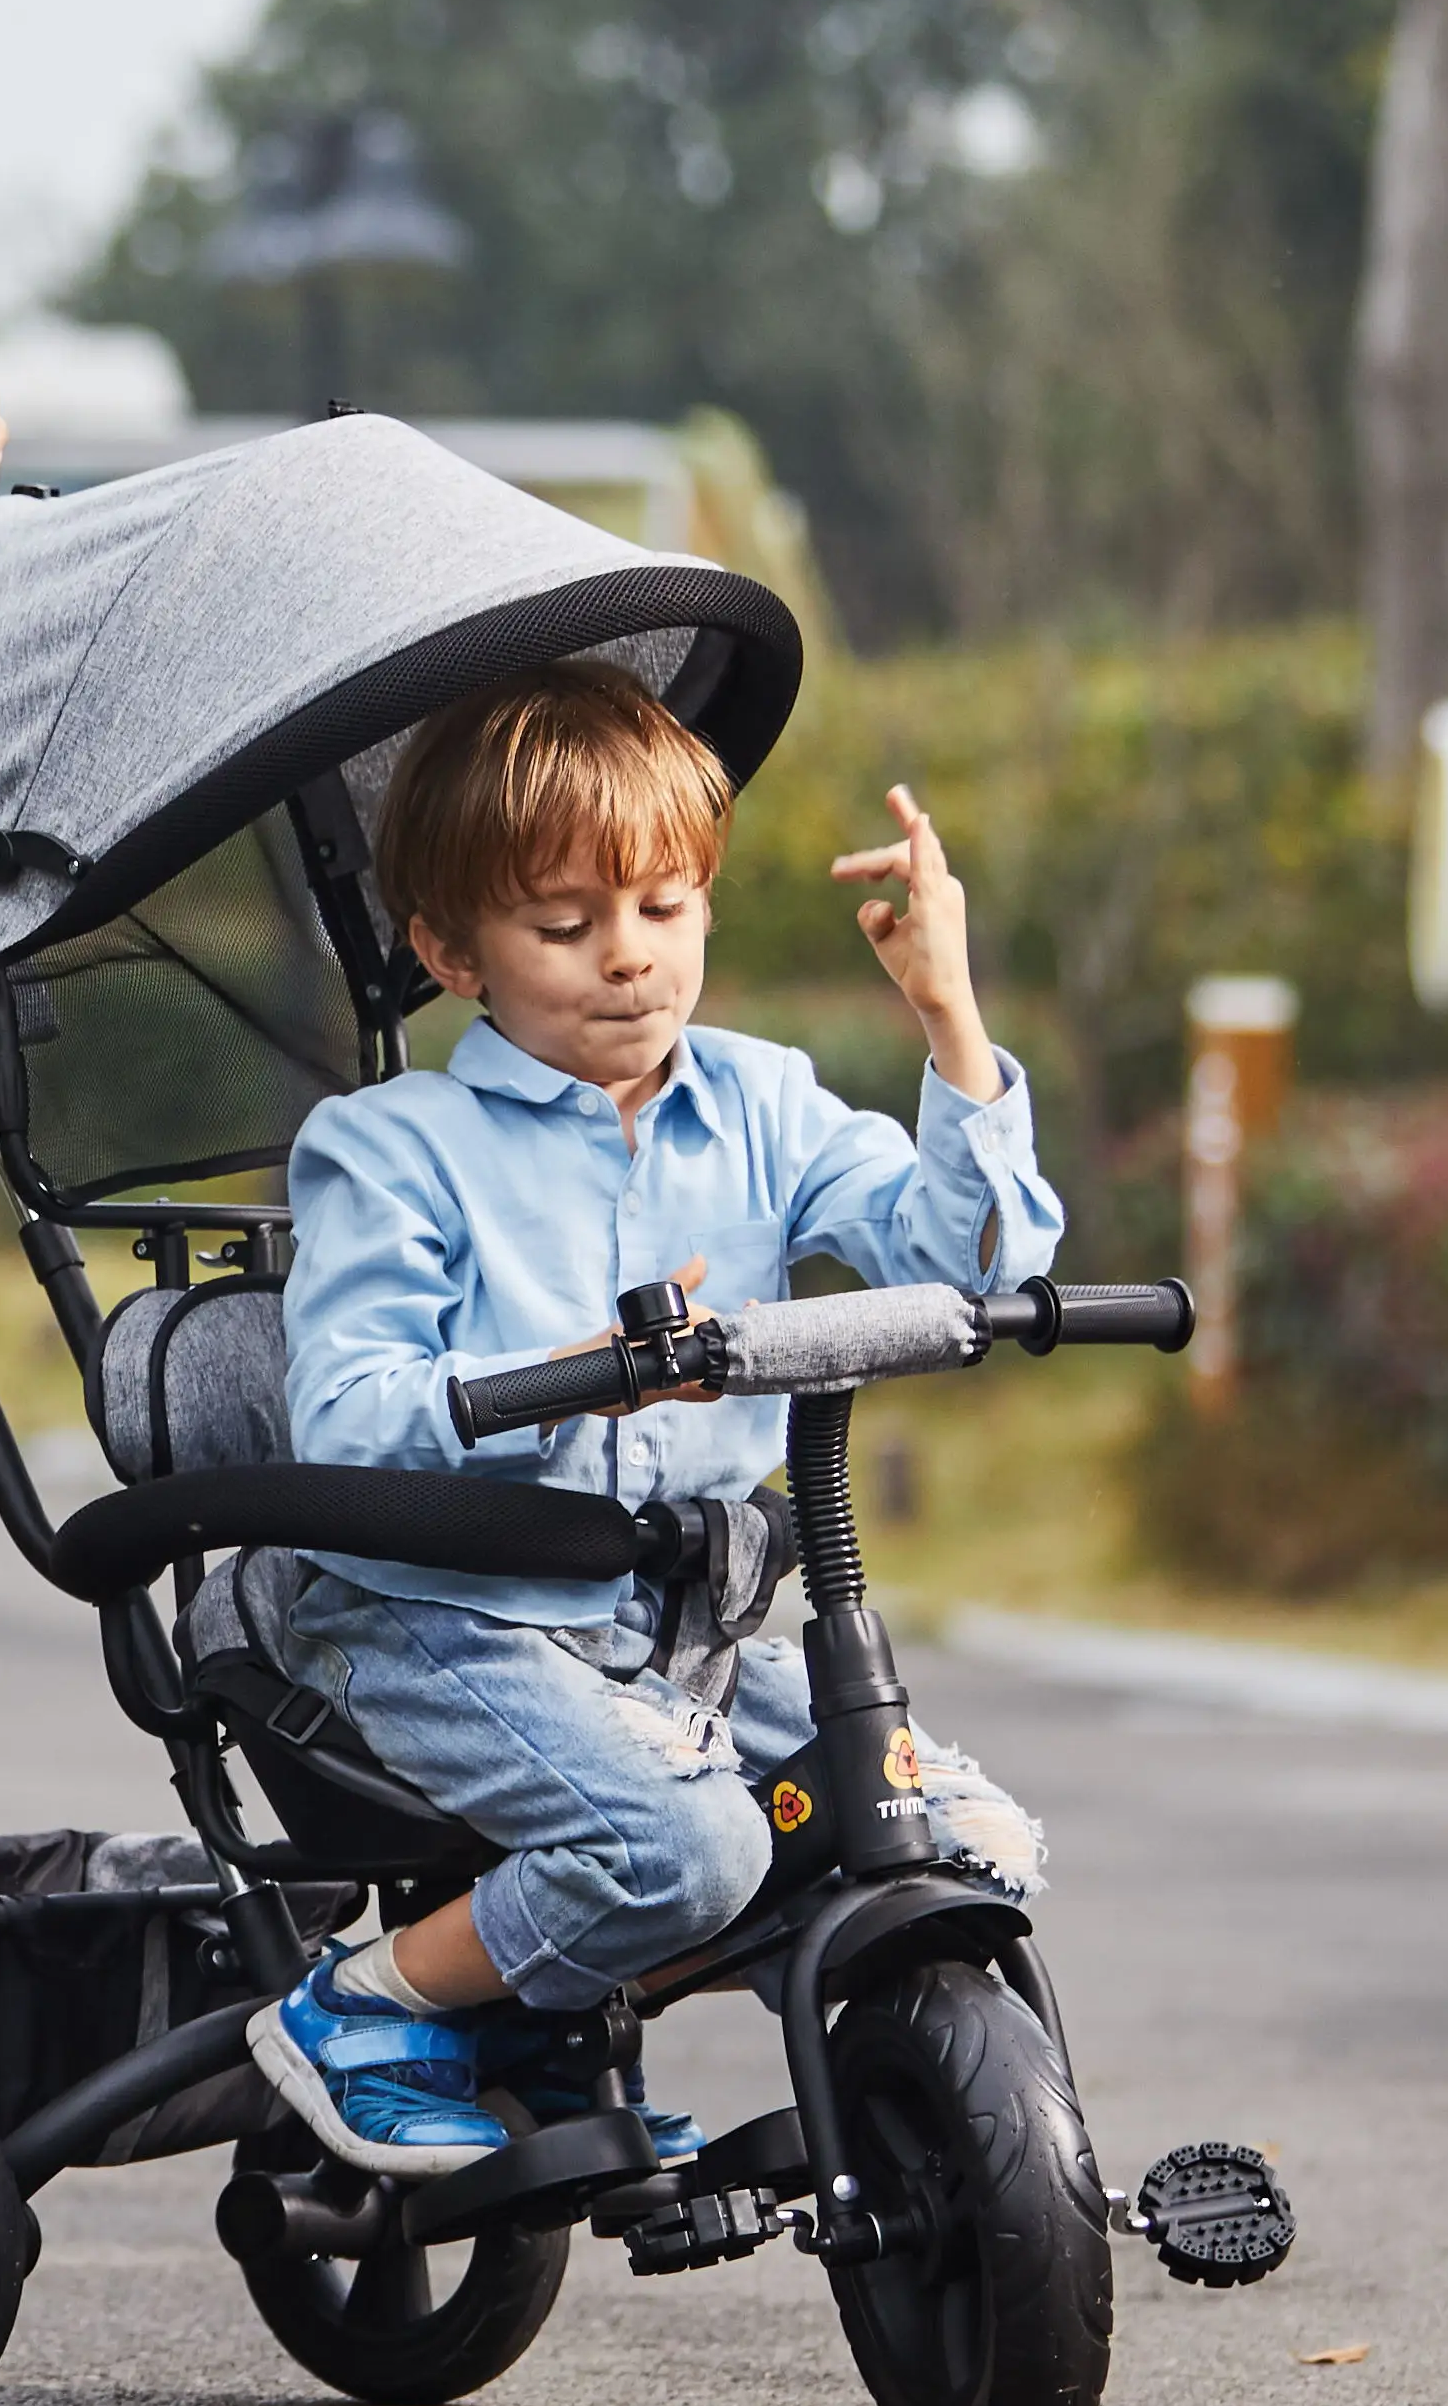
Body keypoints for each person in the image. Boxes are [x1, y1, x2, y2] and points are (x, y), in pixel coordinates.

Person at [241, 661, 1060, 2175]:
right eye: (564, 926)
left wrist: (948, 1013)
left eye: (665, 909)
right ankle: (359, 2005)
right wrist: (578, 1372)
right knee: (689, 1845)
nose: (627, 960)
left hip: (665, 1623)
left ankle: (553, 2008)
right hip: (442, 1617)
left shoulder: (763, 1103)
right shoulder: (388, 1148)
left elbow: (970, 1263)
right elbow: (349, 1422)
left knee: (966, 1835)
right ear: (450, 949)